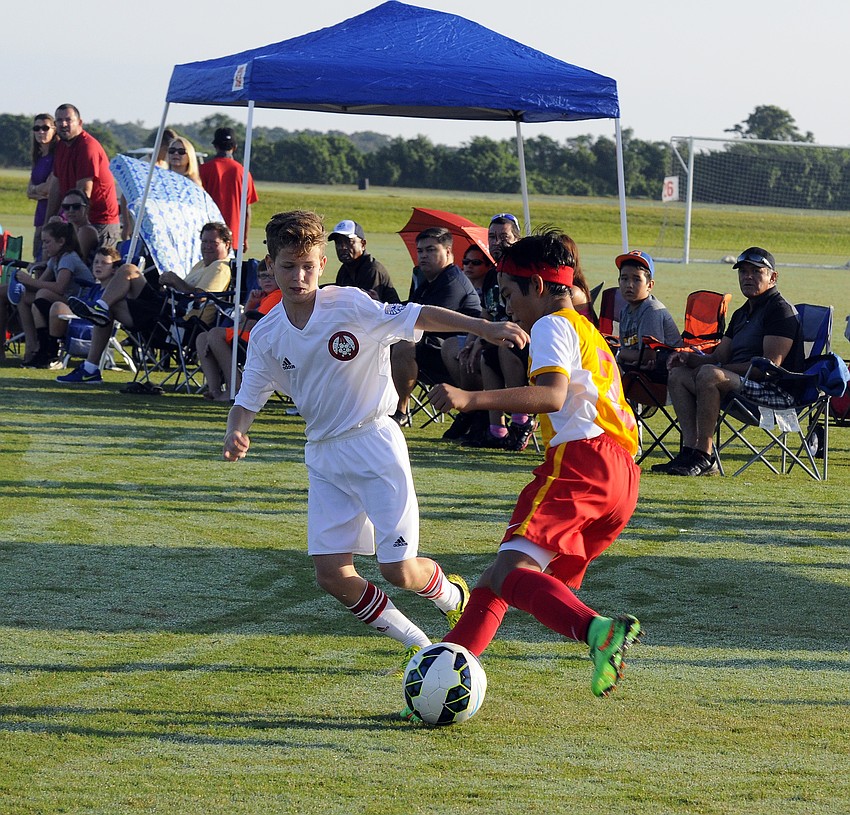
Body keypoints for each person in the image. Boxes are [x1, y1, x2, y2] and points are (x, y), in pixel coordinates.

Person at [222, 210, 525, 674]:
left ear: (322, 263)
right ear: (270, 264)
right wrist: (236, 427)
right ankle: (420, 645)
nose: (299, 276)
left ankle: (454, 595)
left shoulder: (350, 304)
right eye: (287, 266)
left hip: (374, 444)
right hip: (323, 456)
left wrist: (485, 328)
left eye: (307, 265)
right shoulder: (266, 334)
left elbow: (419, 314)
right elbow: (249, 394)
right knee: (331, 575)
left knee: (397, 570)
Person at [417, 229, 642, 713]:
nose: (506, 303)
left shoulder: (551, 325)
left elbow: (552, 396)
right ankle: (442, 670)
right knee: (499, 577)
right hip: (621, 474)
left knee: (513, 572)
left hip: (583, 461)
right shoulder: (580, 321)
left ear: (537, 288)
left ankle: (597, 631)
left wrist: (471, 398)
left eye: (509, 292)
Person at [657, 246, 804, 476]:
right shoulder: (742, 313)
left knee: (710, 375)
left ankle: (705, 456)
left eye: (756, 272)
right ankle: (689, 451)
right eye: (743, 271)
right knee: (678, 373)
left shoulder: (780, 311)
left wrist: (717, 369)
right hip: (739, 383)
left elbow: (769, 368)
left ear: (773, 277)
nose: (747, 276)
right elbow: (718, 357)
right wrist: (687, 358)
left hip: (774, 392)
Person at [59, 223, 233, 384]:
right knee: (129, 270)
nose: (207, 246)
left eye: (213, 242)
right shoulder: (202, 264)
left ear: (226, 244)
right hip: (168, 308)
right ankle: (100, 308)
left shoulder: (220, 267)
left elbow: (202, 298)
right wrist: (169, 284)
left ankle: (91, 366)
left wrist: (176, 281)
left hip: (180, 323)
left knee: (114, 305)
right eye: (204, 241)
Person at [390, 226, 481, 427]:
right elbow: (411, 310)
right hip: (437, 346)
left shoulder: (452, 281)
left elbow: (427, 321)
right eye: (420, 250)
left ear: (448, 252)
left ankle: (400, 411)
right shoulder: (429, 280)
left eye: (431, 250)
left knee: (404, 343)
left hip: (460, 354)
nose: (423, 256)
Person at [13, 220, 94, 367]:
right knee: (24, 297)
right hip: (67, 300)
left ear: (61, 241)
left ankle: (49, 350)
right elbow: (39, 285)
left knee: (43, 294)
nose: (43, 246)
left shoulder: (68, 257)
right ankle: (34, 346)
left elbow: (59, 288)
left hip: (82, 304)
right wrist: (20, 282)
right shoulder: (55, 259)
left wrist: (28, 280)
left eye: (47, 242)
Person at [196, 261, 282, 401]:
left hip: (263, 344)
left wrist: (214, 338)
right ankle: (214, 390)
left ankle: (235, 388)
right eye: (261, 277)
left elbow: (250, 325)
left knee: (215, 334)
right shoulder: (264, 297)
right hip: (251, 339)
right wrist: (250, 303)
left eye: (270, 276)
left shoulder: (277, 296)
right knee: (202, 337)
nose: (266, 280)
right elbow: (245, 321)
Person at [47, 104, 121, 248]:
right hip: (77, 218)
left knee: (89, 267)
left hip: (99, 221)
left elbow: (83, 192)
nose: (63, 124)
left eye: (68, 120)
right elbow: (56, 186)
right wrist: (48, 222)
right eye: (59, 120)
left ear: (79, 122)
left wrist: (67, 221)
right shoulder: (61, 146)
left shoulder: (87, 147)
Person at [48, 245, 121, 366]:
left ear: (114, 269)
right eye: (96, 262)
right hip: (86, 323)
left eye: (104, 263)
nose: (98, 265)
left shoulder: (111, 292)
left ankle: (52, 351)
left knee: (57, 307)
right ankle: (51, 349)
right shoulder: (95, 288)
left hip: (93, 328)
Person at [615, 250, 681, 369]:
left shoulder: (651, 310)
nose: (629, 284)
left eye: (636, 279)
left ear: (650, 285)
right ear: (618, 282)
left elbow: (649, 355)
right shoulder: (624, 310)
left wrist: (622, 355)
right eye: (624, 279)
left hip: (666, 372)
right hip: (638, 369)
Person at [199, 127, 259, 253]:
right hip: (233, 239)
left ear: (215, 146)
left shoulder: (203, 170)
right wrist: (244, 238)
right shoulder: (243, 172)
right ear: (234, 147)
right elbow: (246, 211)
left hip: (207, 238)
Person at [328, 219, 400, 303]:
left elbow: (366, 308)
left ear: (363, 244)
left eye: (349, 242)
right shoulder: (344, 269)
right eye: (338, 242)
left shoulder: (372, 269)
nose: (342, 247)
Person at [27, 113, 58, 261]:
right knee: (37, 258)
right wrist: (39, 190)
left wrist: (37, 190)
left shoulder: (57, 155)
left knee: (47, 259)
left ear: (54, 129)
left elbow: (49, 188)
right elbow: (29, 192)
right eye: (37, 128)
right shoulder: (37, 156)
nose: (41, 132)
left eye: (45, 128)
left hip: (54, 216)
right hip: (39, 216)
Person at [58, 188, 99, 266]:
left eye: (76, 206)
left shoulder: (86, 231)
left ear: (86, 208)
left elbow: (75, 261)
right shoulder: (70, 229)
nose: (71, 210)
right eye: (66, 207)